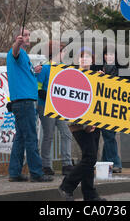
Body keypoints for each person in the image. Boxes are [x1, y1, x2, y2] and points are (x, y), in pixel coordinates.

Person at [58, 47, 106, 201]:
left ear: (92, 61)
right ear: (78, 60)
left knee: (90, 158)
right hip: (79, 125)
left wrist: (103, 82)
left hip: (95, 123)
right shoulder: (74, 76)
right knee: (90, 157)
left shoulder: (95, 76)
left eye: (87, 57)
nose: (84, 60)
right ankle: (67, 186)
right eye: (81, 57)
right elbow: (74, 103)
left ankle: (90, 194)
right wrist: (86, 125)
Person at [6, 27, 53, 183]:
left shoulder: (24, 55)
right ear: (17, 38)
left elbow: (23, 71)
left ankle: (14, 172)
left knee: (20, 138)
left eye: (28, 35)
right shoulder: (16, 52)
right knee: (31, 138)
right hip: (24, 102)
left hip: (22, 101)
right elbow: (14, 52)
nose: (27, 37)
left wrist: (34, 70)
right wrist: (16, 44)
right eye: (24, 35)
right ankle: (36, 173)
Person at [37, 41, 73, 176]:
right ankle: (45, 165)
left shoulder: (64, 68)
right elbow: (38, 86)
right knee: (48, 135)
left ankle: (67, 164)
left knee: (66, 133)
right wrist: (43, 93)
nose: (64, 54)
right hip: (45, 105)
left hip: (60, 107)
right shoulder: (45, 68)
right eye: (63, 51)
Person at [99, 47, 122, 173]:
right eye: (107, 54)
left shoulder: (120, 70)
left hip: (114, 107)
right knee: (109, 135)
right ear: (104, 56)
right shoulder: (101, 69)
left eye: (112, 54)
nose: (109, 56)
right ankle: (112, 163)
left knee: (109, 136)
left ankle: (108, 162)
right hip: (103, 107)